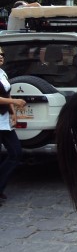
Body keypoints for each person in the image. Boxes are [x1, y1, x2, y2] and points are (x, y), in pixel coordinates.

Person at [0, 47, 27, 204]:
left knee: (16, 153)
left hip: (4, 120)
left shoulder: (2, 73)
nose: (1, 57)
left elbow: (7, 93)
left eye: (2, 54)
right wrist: (14, 102)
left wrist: (13, 112)